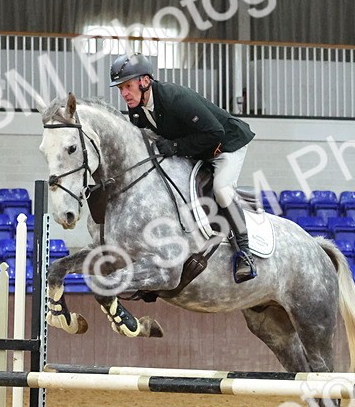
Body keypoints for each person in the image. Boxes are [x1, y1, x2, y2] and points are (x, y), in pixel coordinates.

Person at [109, 52, 258, 283]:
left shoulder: (175, 98)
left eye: (127, 86)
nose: (124, 94)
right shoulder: (137, 108)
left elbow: (215, 132)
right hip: (197, 149)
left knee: (221, 189)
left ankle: (245, 253)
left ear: (145, 81)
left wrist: (175, 146)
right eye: (120, 89)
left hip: (226, 145)